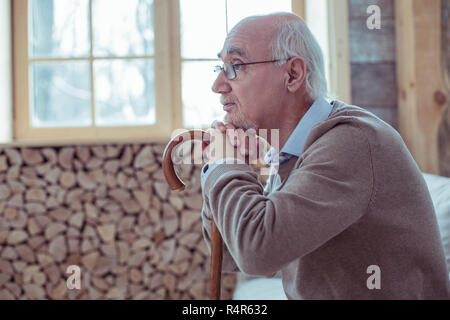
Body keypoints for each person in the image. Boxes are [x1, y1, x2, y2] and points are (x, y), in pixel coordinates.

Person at [200, 12, 449, 299]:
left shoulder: (349, 142)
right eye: (221, 66)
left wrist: (226, 164)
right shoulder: (292, 151)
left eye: (236, 66)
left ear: (293, 74)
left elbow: (257, 251)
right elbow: (232, 254)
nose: (218, 84)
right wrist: (227, 168)